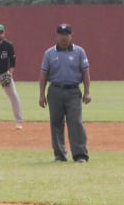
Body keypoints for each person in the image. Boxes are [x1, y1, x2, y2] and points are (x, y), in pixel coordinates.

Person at [38, 23, 92, 162]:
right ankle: (60, 155)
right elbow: (43, 74)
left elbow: (85, 72)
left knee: (76, 123)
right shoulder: (49, 53)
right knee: (56, 123)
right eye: (61, 35)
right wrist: (41, 95)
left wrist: (87, 92)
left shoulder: (79, 52)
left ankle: (80, 154)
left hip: (73, 91)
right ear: (56, 36)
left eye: (66, 35)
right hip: (55, 91)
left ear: (71, 36)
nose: (64, 38)